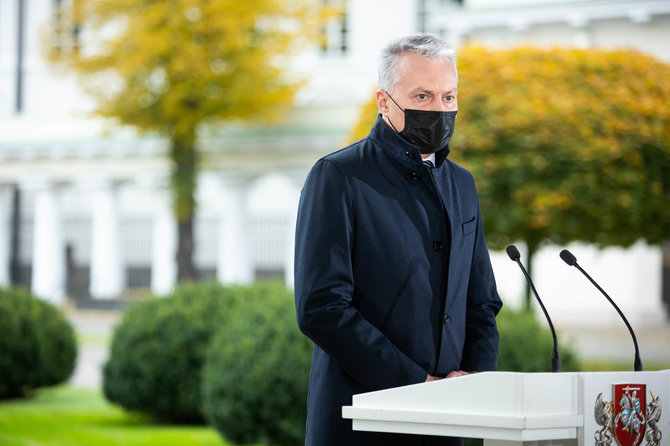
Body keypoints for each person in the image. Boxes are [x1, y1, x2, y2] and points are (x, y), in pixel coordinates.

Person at [294, 33, 502, 446]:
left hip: (447, 419)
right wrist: (413, 382)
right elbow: (322, 307)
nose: (439, 109)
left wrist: (473, 379)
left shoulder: (462, 183)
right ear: (384, 101)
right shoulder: (338, 176)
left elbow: (480, 302)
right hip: (360, 420)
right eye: (422, 97)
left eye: (448, 97)